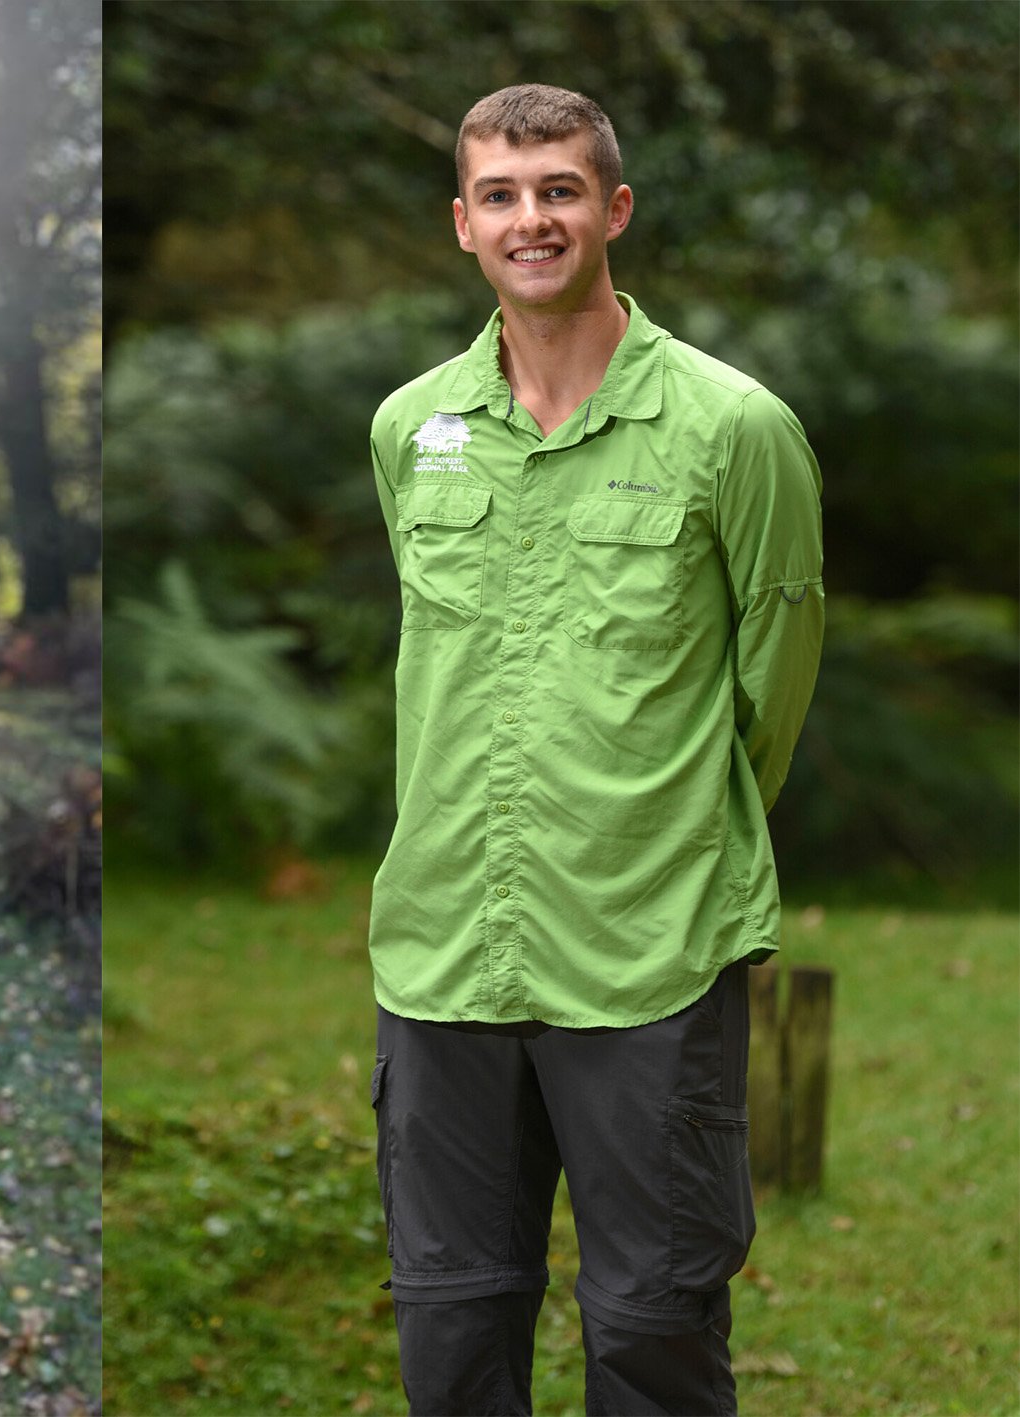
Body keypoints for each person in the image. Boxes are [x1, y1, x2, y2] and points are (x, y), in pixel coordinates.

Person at [365, 85, 823, 1414]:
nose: (531, 218)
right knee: (450, 1334)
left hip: (647, 952)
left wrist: (664, 831)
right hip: (444, 947)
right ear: (462, 224)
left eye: (558, 189)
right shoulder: (412, 430)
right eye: (500, 195)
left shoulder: (736, 430)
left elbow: (766, 696)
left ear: (611, 208)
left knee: (652, 1329)